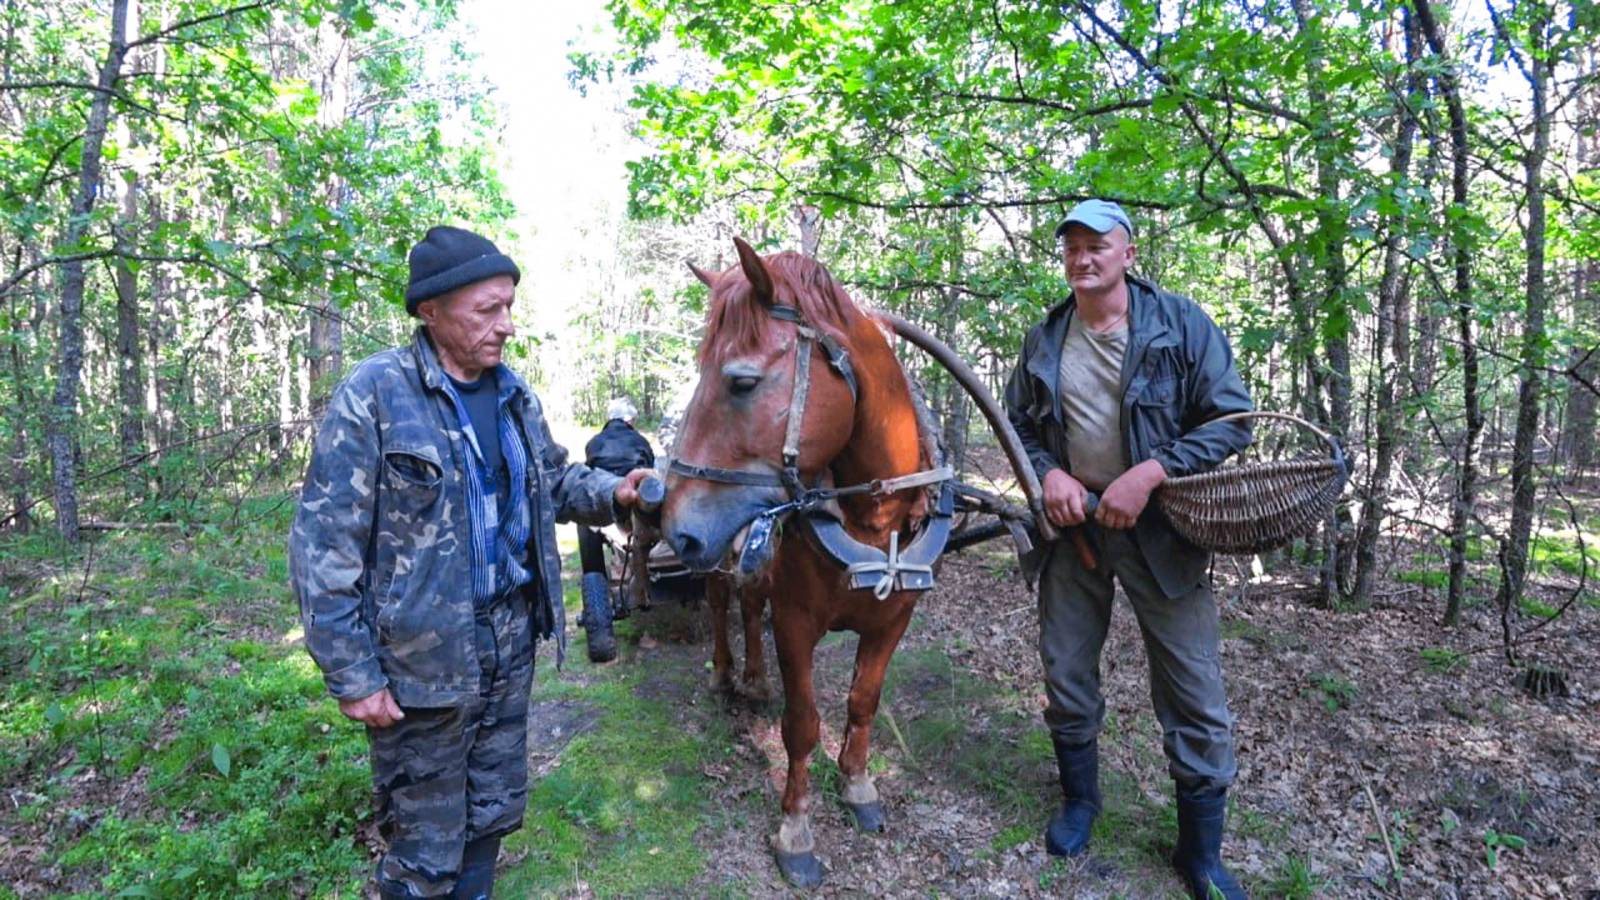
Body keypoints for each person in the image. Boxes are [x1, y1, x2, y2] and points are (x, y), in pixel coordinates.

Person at [289, 225, 651, 900]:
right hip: (420, 663)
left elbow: (555, 480)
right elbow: (322, 547)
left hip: (509, 643)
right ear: (432, 310)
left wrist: (617, 491)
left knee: (490, 816)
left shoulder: (515, 395)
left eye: (509, 306)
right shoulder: (375, 395)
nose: (507, 326)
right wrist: (352, 673)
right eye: (488, 310)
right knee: (423, 847)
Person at [1003, 200, 1253, 899]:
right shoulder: (1046, 337)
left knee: (1193, 685)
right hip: (1072, 530)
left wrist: (1152, 472)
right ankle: (1081, 802)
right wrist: (1047, 473)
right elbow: (1015, 423)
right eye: (1072, 248)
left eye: (1097, 246)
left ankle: (1199, 854)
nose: (1083, 259)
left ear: (1128, 254)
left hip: (1161, 533)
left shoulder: (1179, 325)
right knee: (1066, 670)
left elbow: (1233, 418)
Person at [575, 397, 657, 663]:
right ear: (630, 420)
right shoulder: (641, 441)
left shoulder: (594, 442)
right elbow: (651, 467)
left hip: (608, 504)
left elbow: (590, 473)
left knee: (585, 522)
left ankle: (594, 572)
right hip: (638, 502)